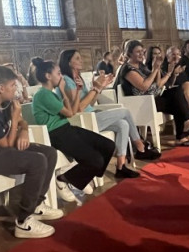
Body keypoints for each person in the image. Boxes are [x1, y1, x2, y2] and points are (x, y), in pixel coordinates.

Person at [0, 64, 63, 238]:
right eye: (12, 85)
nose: (16, 89)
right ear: (1, 88)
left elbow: (23, 122)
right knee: (37, 161)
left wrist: (23, 130)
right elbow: (7, 144)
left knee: (49, 153)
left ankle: (36, 205)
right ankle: (23, 222)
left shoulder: (4, 102)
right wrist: (15, 119)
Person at [58, 48, 158, 176]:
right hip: (82, 121)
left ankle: (121, 166)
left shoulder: (78, 78)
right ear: (68, 62)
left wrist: (99, 88)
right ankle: (140, 147)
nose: (81, 60)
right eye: (77, 58)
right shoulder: (67, 81)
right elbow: (78, 109)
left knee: (123, 124)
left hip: (92, 114)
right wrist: (96, 88)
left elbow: (90, 103)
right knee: (125, 112)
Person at [33, 60, 117, 194]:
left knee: (108, 146)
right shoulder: (43, 94)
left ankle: (80, 176)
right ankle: (64, 178)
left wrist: (77, 91)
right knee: (97, 160)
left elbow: (73, 111)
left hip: (66, 128)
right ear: (48, 76)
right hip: (56, 134)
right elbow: (69, 113)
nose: (61, 76)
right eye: (58, 73)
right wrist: (62, 91)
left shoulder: (50, 94)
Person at [117, 40, 189, 147]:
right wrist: (155, 70)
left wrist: (162, 70)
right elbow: (144, 86)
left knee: (177, 92)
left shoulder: (141, 66)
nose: (141, 54)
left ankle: (187, 125)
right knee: (177, 100)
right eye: (138, 52)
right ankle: (183, 132)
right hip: (141, 102)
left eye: (142, 51)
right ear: (129, 53)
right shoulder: (127, 69)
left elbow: (158, 84)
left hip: (152, 97)